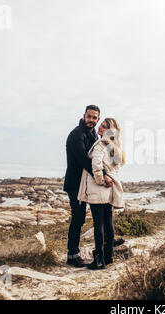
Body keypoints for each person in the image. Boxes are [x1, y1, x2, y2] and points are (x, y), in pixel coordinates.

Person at [63, 105, 115, 268]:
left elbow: (99, 158)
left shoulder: (93, 134)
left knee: (99, 218)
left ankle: (108, 246)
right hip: (75, 184)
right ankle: (73, 254)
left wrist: (106, 173)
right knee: (78, 219)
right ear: (84, 116)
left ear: (98, 119)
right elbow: (85, 160)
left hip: (88, 183)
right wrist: (104, 175)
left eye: (94, 118)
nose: (91, 120)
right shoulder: (76, 135)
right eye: (89, 117)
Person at [78, 118, 125, 270]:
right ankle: (108, 257)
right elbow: (115, 170)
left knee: (99, 224)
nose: (100, 128)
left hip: (99, 188)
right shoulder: (115, 147)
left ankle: (98, 260)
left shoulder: (101, 144)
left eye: (104, 127)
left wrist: (100, 180)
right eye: (101, 125)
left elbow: (96, 165)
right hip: (109, 190)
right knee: (108, 222)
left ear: (110, 131)